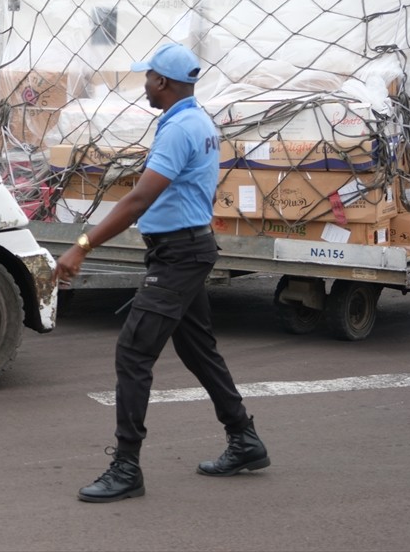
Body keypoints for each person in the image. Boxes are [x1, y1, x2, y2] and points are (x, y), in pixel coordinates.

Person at [56, 42, 269, 504]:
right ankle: (244, 439)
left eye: (149, 77)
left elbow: (139, 200)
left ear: (164, 82)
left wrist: (82, 246)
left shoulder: (179, 129)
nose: (145, 84)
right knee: (197, 350)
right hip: (185, 250)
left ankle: (126, 467)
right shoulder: (195, 121)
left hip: (179, 256)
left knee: (133, 353)